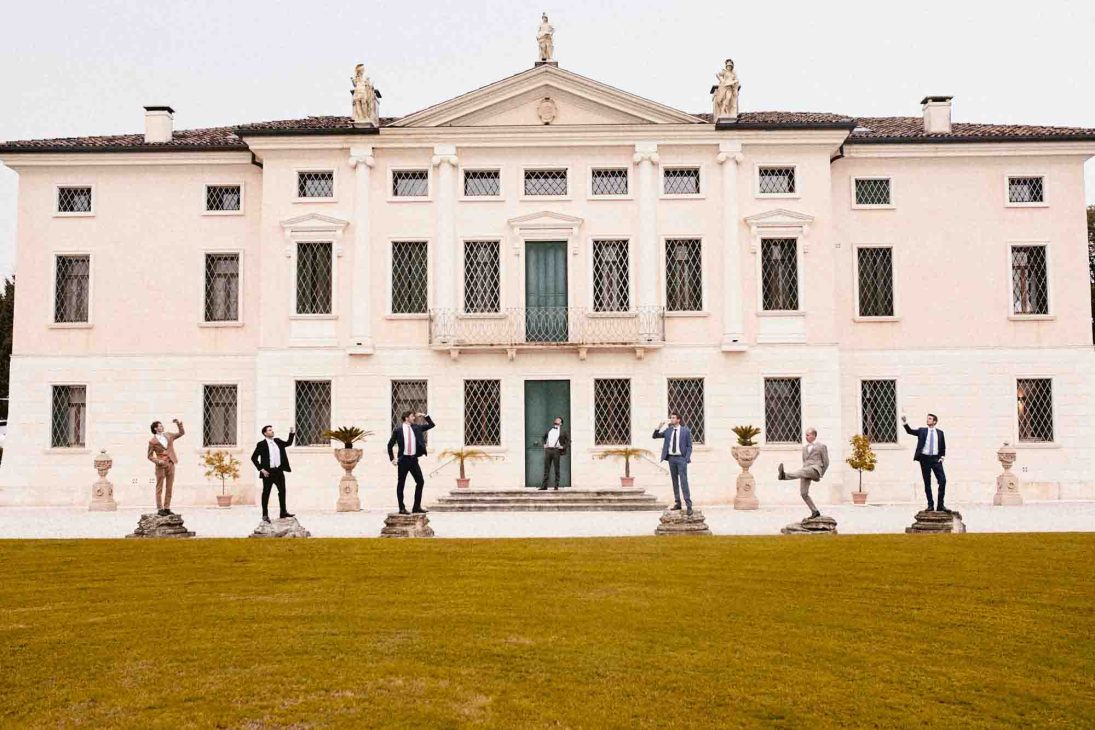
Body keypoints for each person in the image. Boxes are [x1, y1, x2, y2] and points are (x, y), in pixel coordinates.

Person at [387, 411, 435, 514]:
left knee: (420, 482)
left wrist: (424, 416)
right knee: (401, 484)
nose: (414, 418)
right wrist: (392, 459)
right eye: (412, 416)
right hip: (403, 460)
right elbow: (389, 445)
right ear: (406, 418)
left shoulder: (416, 428)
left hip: (413, 460)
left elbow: (431, 425)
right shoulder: (398, 430)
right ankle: (402, 508)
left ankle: (416, 507)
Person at [777, 428, 830, 519]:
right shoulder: (805, 448)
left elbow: (826, 462)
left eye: (808, 435)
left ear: (814, 435)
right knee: (803, 493)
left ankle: (784, 476)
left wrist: (821, 474)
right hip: (805, 471)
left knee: (803, 471)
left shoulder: (821, 446)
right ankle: (815, 511)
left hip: (815, 469)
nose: (806, 437)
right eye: (805, 435)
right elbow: (804, 461)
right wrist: (804, 470)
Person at [250, 424, 296, 523]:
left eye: (272, 430)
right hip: (268, 472)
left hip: (278, 471)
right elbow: (253, 458)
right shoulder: (261, 444)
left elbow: (288, 443)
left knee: (282, 491)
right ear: (265, 433)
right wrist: (261, 469)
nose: (272, 431)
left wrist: (292, 433)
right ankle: (265, 515)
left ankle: (283, 512)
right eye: (270, 430)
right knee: (266, 493)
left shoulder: (277, 441)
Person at [903, 413, 948, 512]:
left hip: (936, 459)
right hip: (924, 459)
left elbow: (943, 446)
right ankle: (930, 505)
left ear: (935, 421)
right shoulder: (922, 431)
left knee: (943, 480)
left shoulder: (940, 433)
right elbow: (910, 431)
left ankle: (940, 505)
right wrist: (905, 422)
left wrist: (942, 457)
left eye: (930, 419)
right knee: (927, 482)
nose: (927, 420)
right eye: (927, 418)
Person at [653, 413, 694, 515]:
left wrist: (686, 458)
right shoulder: (668, 431)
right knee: (674, 481)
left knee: (684, 482)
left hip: (681, 459)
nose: (671, 419)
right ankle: (678, 503)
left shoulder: (685, 431)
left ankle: (689, 505)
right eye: (671, 418)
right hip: (671, 459)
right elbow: (655, 436)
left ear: (678, 420)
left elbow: (689, 446)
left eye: (673, 418)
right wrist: (659, 426)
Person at [146, 418, 184, 516]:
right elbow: (149, 456)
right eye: (160, 426)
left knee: (169, 486)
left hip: (171, 463)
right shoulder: (152, 441)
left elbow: (181, 433)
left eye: (162, 425)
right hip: (160, 465)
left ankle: (167, 507)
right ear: (155, 429)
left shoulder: (169, 435)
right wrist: (157, 461)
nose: (162, 427)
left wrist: (178, 424)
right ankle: (160, 508)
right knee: (159, 487)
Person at [539, 416, 570, 490]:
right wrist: (544, 444)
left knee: (557, 468)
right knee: (546, 469)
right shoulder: (549, 430)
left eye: (558, 420)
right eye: (556, 419)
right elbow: (542, 438)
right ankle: (544, 486)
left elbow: (569, 441)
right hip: (548, 450)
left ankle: (556, 486)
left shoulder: (563, 431)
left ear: (561, 423)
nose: (556, 420)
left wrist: (563, 447)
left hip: (556, 450)